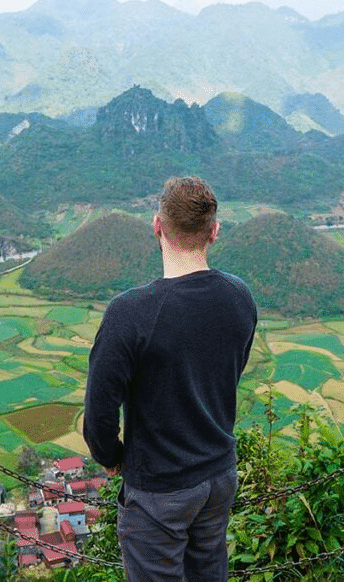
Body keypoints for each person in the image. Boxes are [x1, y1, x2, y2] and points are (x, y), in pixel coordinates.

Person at [83, 175, 257, 582]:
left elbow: (99, 412)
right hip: (218, 476)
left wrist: (110, 456)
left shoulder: (130, 314)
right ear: (213, 232)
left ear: (157, 225)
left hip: (159, 488)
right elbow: (230, 370)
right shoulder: (239, 297)